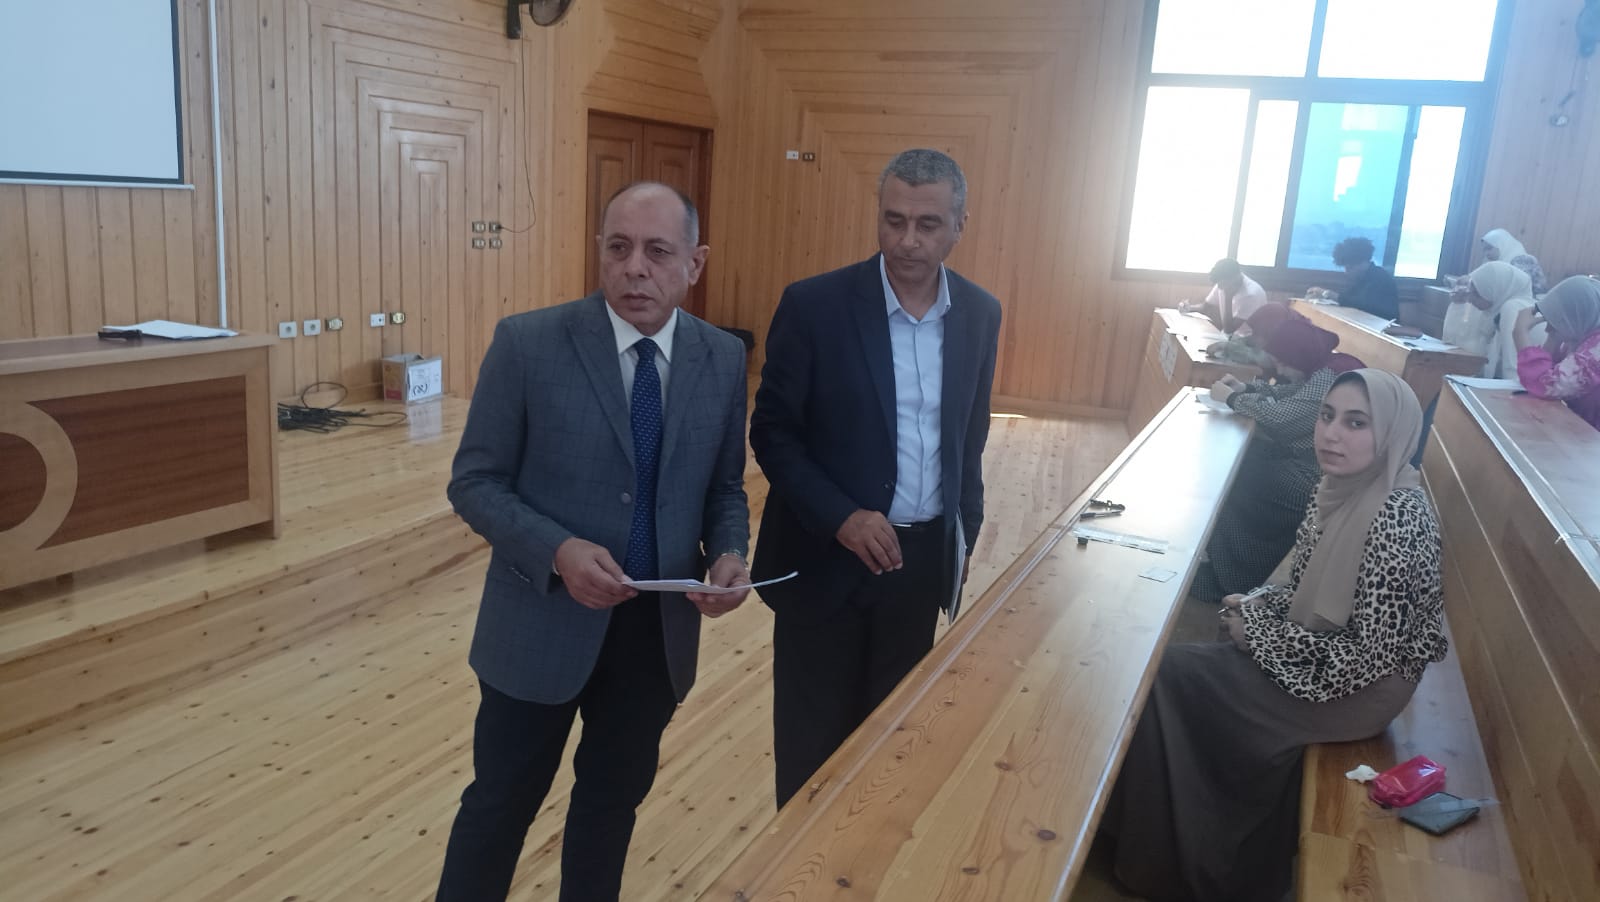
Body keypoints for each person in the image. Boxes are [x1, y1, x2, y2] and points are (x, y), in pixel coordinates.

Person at [436, 182, 752, 902]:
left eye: (657, 251)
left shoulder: (722, 357)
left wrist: (730, 553)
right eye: (619, 247)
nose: (635, 267)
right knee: (498, 810)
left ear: (695, 262)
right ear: (600, 252)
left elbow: (724, 488)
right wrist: (558, 550)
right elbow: (475, 482)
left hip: (654, 634)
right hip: (540, 625)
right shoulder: (528, 344)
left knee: (610, 810)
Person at [1103, 369, 1449, 902]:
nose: (1331, 434)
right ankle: (1158, 838)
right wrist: (1258, 606)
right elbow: (1301, 585)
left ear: (1393, 434)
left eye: (1356, 423)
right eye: (1327, 416)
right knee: (1179, 666)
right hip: (1324, 657)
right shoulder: (1336, 488)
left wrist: (1258, 636)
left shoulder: (1397, 517)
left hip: (1360, 692)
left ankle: (1182, 864)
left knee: (1168, 677)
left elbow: (1365, 660)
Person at [750, 148, 1003, 807]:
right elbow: (772, 432)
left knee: (890, 752)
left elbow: (969, 436)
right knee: (810, 759)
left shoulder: (980, 314)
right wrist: (841, 516)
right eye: (894, 221)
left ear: (959, 225)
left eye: (927, 224)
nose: (907, 240)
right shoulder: (815, 306)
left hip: (916, 570)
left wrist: (962, 534)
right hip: (822, 564)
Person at [1190, 315, 1364, 603]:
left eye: (1283, 363)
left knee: (1237, 477)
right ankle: (1222, 560)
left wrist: (1232, 399)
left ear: (1299, 356)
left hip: (1319, 481)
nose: (1279, 369)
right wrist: (1245, 388)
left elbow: (1281, 419)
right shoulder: (1327, 365)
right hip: (1319, 468)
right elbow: (1291, 393)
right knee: (1245, 462)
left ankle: (1229, 579)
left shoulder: (1330, 378)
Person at [1515, 275, 1600, 431]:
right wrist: (1553, 335)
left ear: (1577, 316)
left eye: (1558, 320)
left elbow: (1544, 385)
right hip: (1581, 432)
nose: (1548, 328)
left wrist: (1520, 333)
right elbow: (1549, 371)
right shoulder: (1581, 338)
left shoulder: (1595, 351)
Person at [1444, 260, 1538, 379]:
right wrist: (1458, 305)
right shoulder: (1494, 308)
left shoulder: (1513, 308)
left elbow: (1513, 371)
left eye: (1476, 294)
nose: (1470, 299)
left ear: (1495, 291)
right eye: (1470, 292)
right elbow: (1460, 347)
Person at [1179, 258, 1267, 334]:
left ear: (1235, 278)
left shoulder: (1251, 294)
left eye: (1222, 284)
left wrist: (1228, 298)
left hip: (1246, 341)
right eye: (1218, 284)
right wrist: (1189, 308)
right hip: (1228, 338)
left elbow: (1229, 330)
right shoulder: (1222, 282)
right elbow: (1205, 307)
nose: (1220, 287)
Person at [1330, 236, 1400, 320]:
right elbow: (1349, 297)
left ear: (1363, 263)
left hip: (1379, 325)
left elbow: (1361, 305)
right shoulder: (1362, 277)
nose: (1346, 272)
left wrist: (1330, 295)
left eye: (1350, 267)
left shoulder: (1380, 278)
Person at [1480, 227, 1547, 294]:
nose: (1486, 253)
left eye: (1489, 248)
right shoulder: (1492, 264)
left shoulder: (1523, 260)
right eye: (1484, 250)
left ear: (1502, 244)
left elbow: (1523, 289)